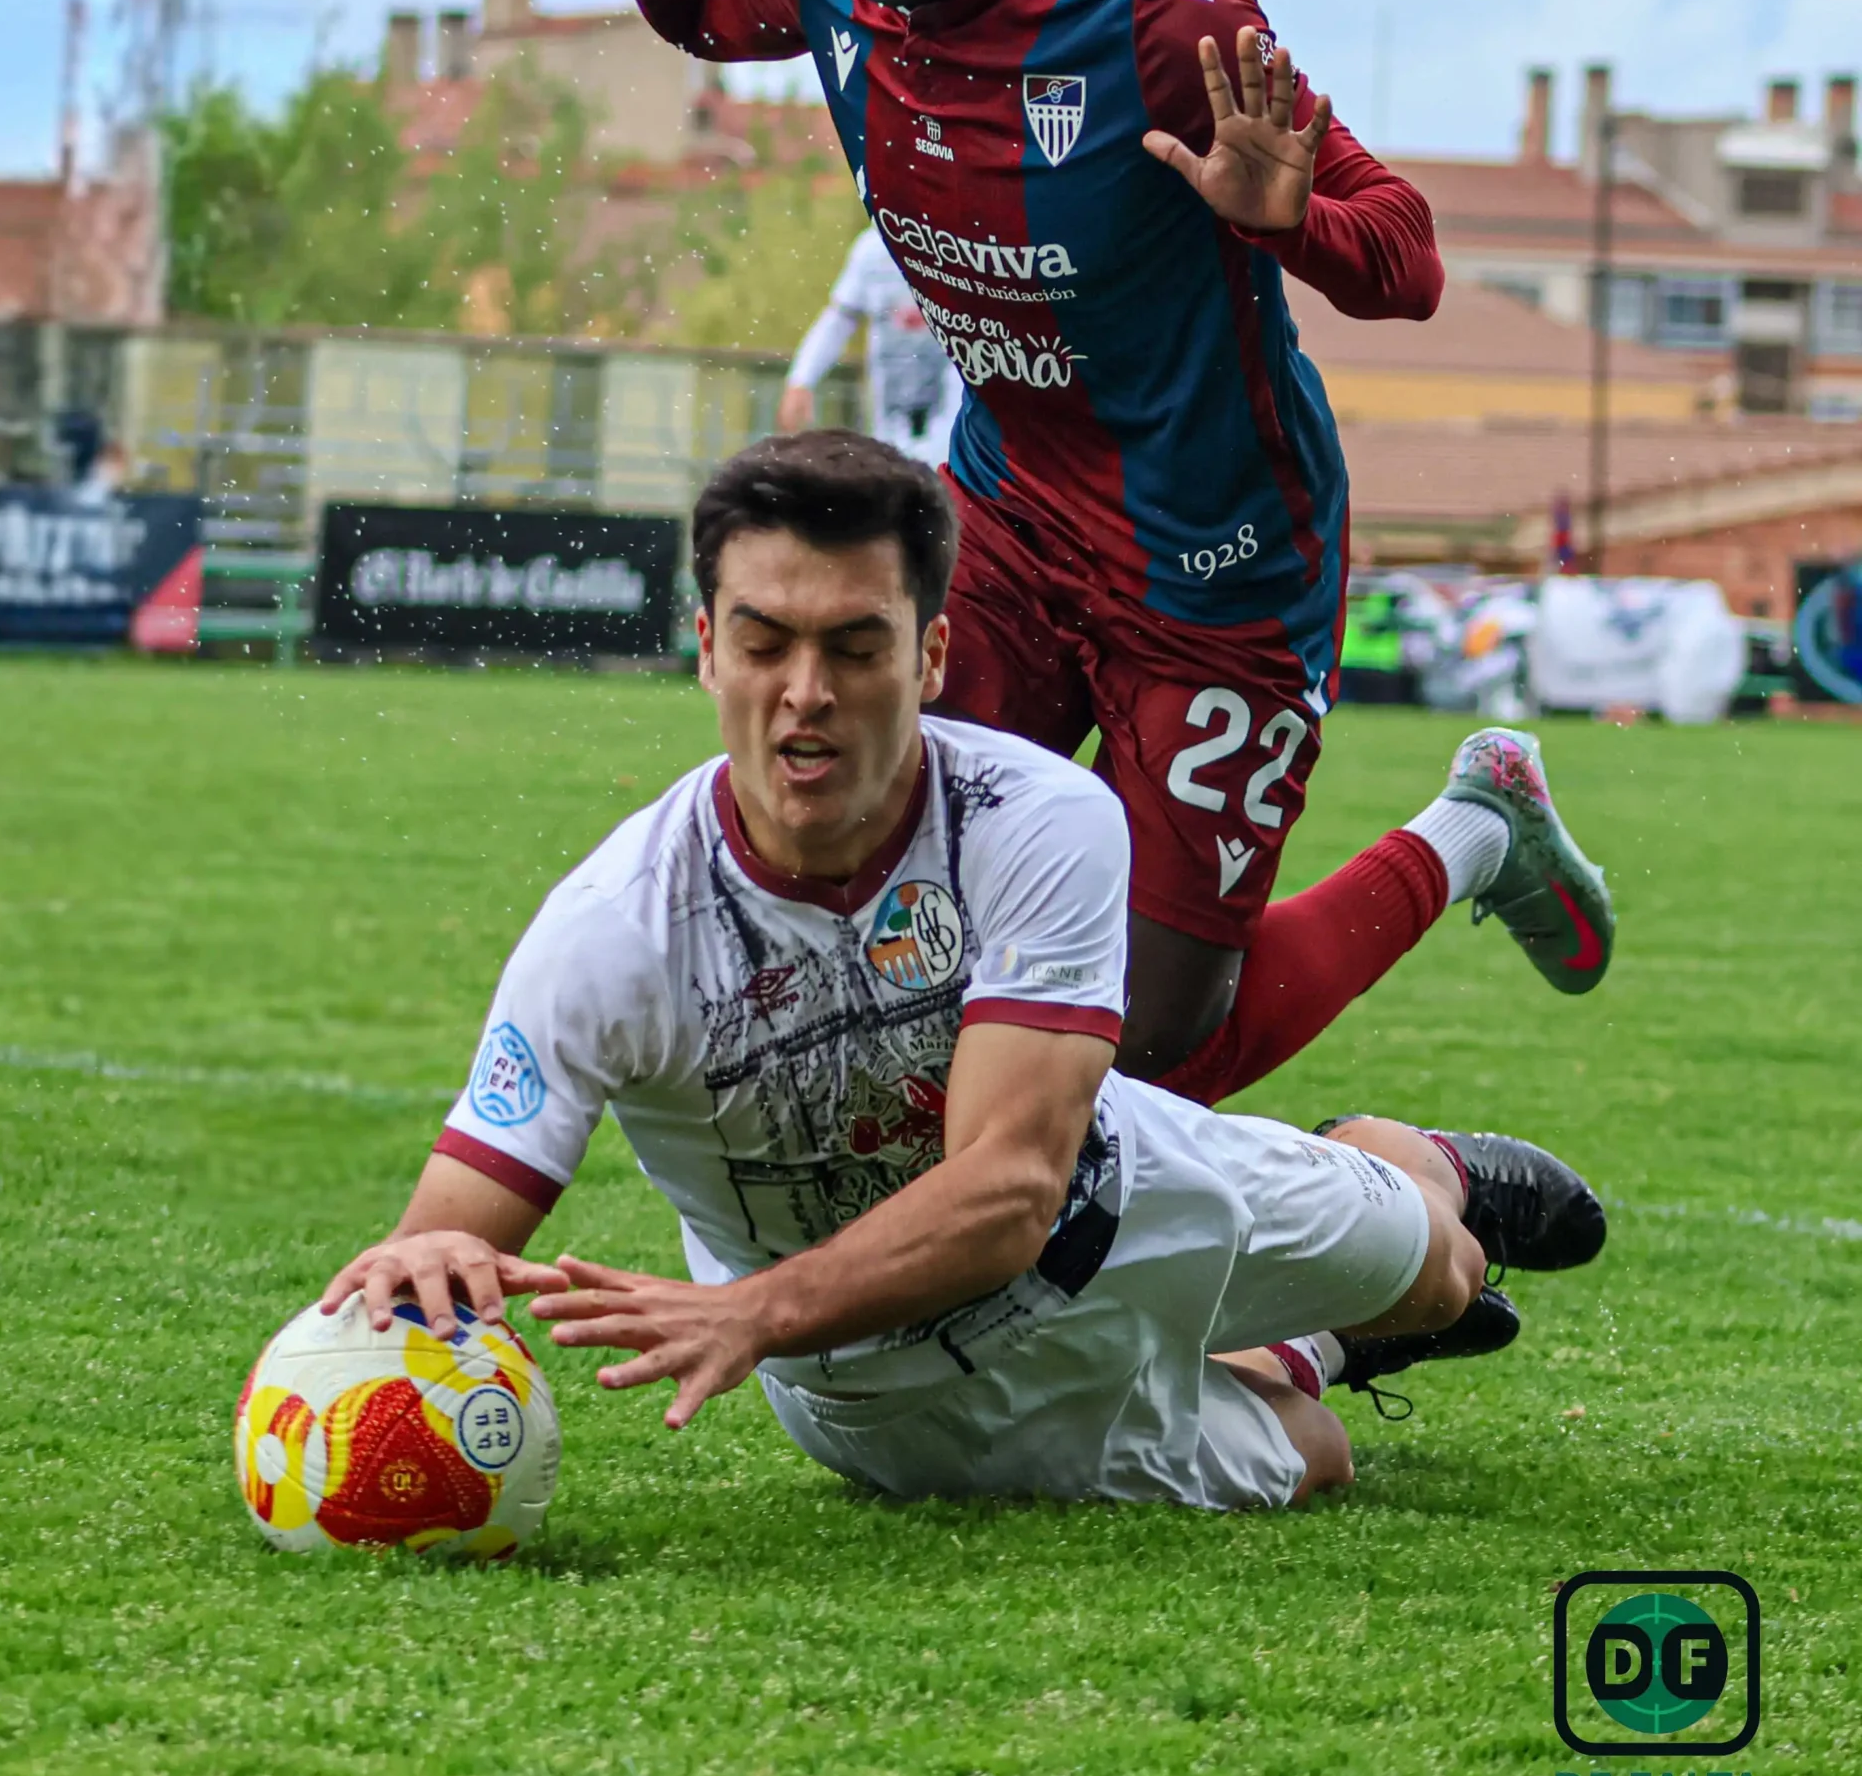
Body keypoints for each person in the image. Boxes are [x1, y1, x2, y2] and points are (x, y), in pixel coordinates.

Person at [608, 0, 1616, 1109]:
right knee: (885, 909)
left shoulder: (1160, 19)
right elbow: (707, 1)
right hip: (1005, 520)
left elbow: (1407, 258)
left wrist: (1289, 222)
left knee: (1149, 1045)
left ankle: (1475, 831)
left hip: (1216, 559)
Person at [318, 433, 1605, 1515]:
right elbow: (450, 1226)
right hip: (898, 1395)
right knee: (1315, 1455)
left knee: (1443, 1269)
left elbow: (1010, 1188)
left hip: (1128, 1186)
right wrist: (376, 1320)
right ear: (706, 647)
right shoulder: (611, 927)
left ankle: (1398, 1159)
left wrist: (752, 1308)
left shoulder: (1037, 814)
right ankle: (1305, 1348)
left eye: (857, 647)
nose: (804, 694)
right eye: (764, 643)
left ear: (932, 659)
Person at [778, 223, 964, 466]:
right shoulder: (873, 249)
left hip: (952, 417)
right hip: (890, 419)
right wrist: (801, 380)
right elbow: (839, 319)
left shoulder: (963, 247)